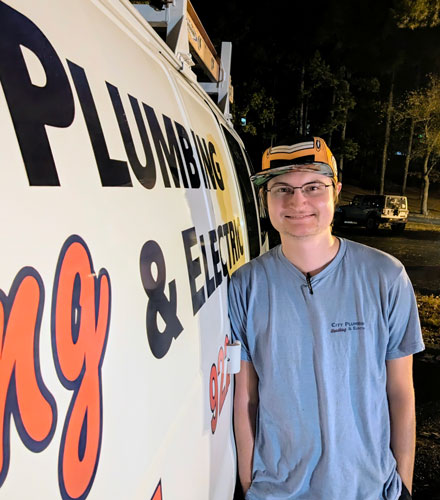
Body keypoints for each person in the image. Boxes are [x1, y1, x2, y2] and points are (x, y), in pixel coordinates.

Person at [228, 137, 424, 500]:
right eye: (281, 188)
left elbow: (400, 393)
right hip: (275, 492)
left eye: (313, 187)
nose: (297, 201)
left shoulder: (385, 277)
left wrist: (404, 486)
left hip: (370, 490)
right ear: (265, 199)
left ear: (335, 191)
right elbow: (246, 399)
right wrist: (248, 484)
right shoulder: (245, 285)